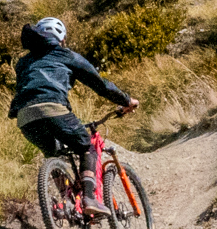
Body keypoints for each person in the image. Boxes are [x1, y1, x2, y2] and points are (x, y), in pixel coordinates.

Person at [8, 14, 137, 214]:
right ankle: (89, 198)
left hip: (25, 118)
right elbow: (100, 85)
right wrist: (126, 101)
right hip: (54, 109)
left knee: (53, 153)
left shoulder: (23, 63)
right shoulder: (65, 55)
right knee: (86, 146)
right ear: (62, 38)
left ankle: (67, 202)